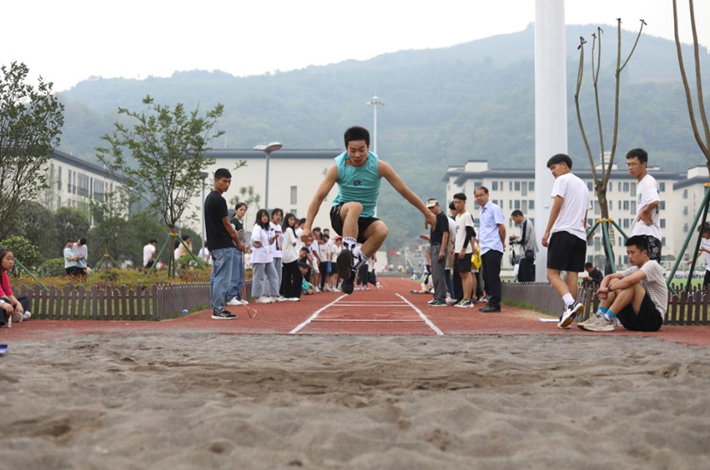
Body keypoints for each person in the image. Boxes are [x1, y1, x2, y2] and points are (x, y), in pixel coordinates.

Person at [301, 126, 436, 294]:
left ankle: (352, 267)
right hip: (341, 215)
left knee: (382, 230)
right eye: (353, 150)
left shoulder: (380, 167)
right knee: (355, 206)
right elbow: (318, 197)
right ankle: (348, 252)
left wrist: (427, 212)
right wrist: (307, 226)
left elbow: (404, 191)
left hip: (363, 220)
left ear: (368, 147)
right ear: (346, 149)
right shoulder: (338, 167)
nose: (357, 155)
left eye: (361, 150)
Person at [578, 236, 667, 332]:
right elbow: (609, 277)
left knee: (631, 283)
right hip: (632, 321)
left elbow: (630, 281)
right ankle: (600, 315)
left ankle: (607, 318)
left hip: (652, 321)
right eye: (628, 253)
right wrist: (603, 287)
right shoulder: (634, 269)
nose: (629, 256)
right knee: (614, 280)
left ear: (644, 253)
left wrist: (608, 289)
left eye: (632, 253)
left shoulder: (652, 265)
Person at [542, 154, 591, 328]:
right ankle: (568, 312)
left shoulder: (563, 180)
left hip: (563, 231)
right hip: (580, 236)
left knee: (552, 274)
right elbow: (585, 217)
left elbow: (557, 204)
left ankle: (570, 304)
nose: (553, 172)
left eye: (554, 167)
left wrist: (547, 230)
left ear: (564, 165)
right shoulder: (584, 186)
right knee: (572, 275)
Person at [204, 168, 243, 320]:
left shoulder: (209, 198)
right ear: (215, 180)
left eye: (229, 182)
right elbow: (227, 224)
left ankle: (217, 307)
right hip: (223, 244)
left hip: (214, 245)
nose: (227, 185)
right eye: (224, 181)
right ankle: (219, 309)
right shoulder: (219, 200)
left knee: (216, 276)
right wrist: (237, 241)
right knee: (222, 278)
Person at [474, 186, 506, 313]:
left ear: (487, 195)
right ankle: (490, 301)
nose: (479, 198)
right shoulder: (481, 211)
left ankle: (495, 304)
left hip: (493, 247)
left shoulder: (494, 208)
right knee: (486, 277)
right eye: (477, 196)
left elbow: (502, 228)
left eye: (481, 195)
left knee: (493, 277)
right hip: (484, 248)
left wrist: (501, 243)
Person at [627, 148, 662, 262]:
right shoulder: (642, 183)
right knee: (642, 276)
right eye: (628, 164)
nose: (630, 167)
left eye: (633, 164)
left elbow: (655, 201)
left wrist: (644, 211)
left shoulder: (648, 181)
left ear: (644, 164)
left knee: (648, 275)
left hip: (647, 236)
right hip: (641, 235)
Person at [419, 199, 449, 306]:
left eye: (432, 207)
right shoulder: (434, 217)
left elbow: (445, 234)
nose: (431, 210)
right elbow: (426, 226)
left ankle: (441, 299)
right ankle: (437, 296)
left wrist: (442, 250)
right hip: (433, 246)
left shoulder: (442, 217)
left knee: (439, 274)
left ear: (438, 205)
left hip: (439, 246)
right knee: (435, 274)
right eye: (429, 208)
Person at [251, 209, 283, 304]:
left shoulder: (267, 228)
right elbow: (255, 239)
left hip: (268, 256)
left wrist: (272, 239)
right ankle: (258, 296)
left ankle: (274, 295)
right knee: (259, 277)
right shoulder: (257, 227)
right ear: (259, 217)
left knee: (274, 275)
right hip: (259, 256)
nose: (265, 217)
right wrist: (260, 244)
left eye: (266, 216)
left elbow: (270, 242)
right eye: (262, 216)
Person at [452, 193, 477, 308]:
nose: (457, 205)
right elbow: (458, 235)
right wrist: (455, 249)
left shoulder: (467, 215)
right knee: (462, 274)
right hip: (458, 249)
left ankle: (468, 299)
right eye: (455, 202)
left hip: (465, 250)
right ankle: (464, 298)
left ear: (464, 202)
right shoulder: (457, 217)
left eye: (459, 202)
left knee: (466, 273)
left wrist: (463, 248)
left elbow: (469, 233)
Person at [0, 249, 32, 327]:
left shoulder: (4, 275)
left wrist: (18, 304)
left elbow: (9, 293)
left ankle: (11, 315)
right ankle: (12, 316)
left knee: (24, 300)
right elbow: (2, 295)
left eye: (12, 259)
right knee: (5, 300)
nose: (11, 262)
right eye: (7, 259)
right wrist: (7, 303)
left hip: (2, 301)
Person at [510, 209, 537, 282]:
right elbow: (525, 237)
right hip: (525, 256)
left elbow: (523, 239)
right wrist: (516, 238)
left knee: (526, 279)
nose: (514, 221)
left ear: (518, 216)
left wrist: (514, 241)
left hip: (527, 256)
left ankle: (529, 293)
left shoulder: (526, 223)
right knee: (521, 278)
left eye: (514, 219)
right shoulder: (524, 224)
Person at [280, 213, 302, 301]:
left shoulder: (283, 230)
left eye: (294, 220)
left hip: (284, 256)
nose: (292, 222)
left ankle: (287, 294)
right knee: (298, 275)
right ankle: (294, 295)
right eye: (291, 219)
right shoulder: (289, 230)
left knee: (287, 275)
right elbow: (294, 242)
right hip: (290, 256)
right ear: (287, 220)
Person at [445, 201, 458, 305]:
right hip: (455, 247)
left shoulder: (449, 221)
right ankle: (454, 294)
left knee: (447, 273)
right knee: (453, 273)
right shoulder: (454, 221)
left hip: (451, 248)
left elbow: (446, 235)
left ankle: (453, 294)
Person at [269, 208, 285, 295]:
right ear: (272, 215)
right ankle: (270, 292)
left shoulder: (279, 227)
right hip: (271, 253)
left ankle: (276, 293)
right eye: (277, 215)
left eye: (280, 215)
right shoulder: (269, 225)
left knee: (279, 275)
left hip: (279, 253)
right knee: (272, 275)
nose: (278, 217)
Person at [689, 224, 710, 288]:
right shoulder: (702, 239)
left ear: (707, 232)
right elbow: (700, 251)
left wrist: (705, 250)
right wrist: (693, 260)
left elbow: (703, 249)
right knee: (705, 286)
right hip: (709, 267)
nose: (701, 235)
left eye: (702, 233)